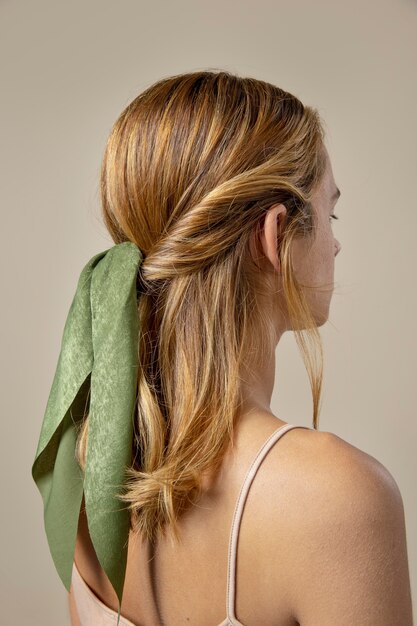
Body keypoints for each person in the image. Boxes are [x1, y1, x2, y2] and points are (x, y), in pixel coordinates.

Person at [38, 69, 413, 625]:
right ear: (275, 235)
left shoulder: (90, 464)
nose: (337, 242)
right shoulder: (336, 498)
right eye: (329, 213)